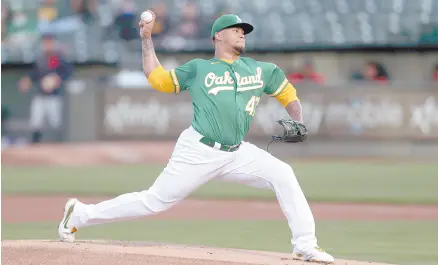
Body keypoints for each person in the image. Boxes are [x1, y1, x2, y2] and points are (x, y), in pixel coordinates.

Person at [58, 12, 335, 264]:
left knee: (283, 174)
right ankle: (80, 214)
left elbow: (288, 95)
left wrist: (298, 119)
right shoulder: (199, 69)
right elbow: (157, 79)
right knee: (154, 201)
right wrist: (146, 39)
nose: (241, 33)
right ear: (218, 35)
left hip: (238, 153)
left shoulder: (260, 70)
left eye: (243, 30)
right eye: (235, 29)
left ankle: (305, 245)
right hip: (198, 150)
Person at [18, 33, 73, 143]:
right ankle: (35, 146)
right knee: (36, 121)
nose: (47, 45)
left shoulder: (58, 58)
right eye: (45, 43)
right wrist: (27, 80)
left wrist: (57, 78)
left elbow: (67, 71)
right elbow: (35, 74)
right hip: (40, 95)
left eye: (50, 43)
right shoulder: (41, 59)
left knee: (56, 122)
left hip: (54, 96)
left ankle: (60, 146)